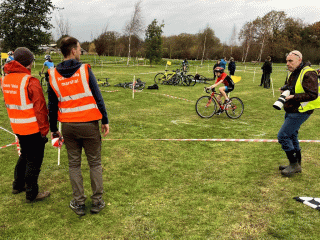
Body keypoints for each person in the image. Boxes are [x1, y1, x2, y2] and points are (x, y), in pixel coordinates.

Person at [48, 36, 109, 216]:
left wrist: (54, 129)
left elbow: (52, 106)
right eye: (80, 48)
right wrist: (105, 120)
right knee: (95, 163)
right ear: (73, 50)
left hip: (68, 126)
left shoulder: (52, 74)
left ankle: (79, 202)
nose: (81, 52)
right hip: (89, 125)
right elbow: (98, 97)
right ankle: (97, 202)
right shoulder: (84, 70)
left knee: (74, 165)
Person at [0, 47, 50, 203]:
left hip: (17, 126)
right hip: (32, 128)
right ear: (29, 63)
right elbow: (40, 109)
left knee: (24, 156)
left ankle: (18, 185)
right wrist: (44, 131)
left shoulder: (6, 79)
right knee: (34, 161)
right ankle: (32, 193)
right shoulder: (30, 81)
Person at [278, 50, 320, 177]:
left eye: (290, 61)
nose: (288, 64)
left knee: (283, 135)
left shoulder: (308, 73)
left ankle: (294, 164)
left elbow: (312, 94)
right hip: (292, 109)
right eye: (287, 61)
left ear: (299, 60)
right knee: (291, 135)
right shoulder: (295, 72)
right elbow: (292, 86)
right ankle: (296, 164)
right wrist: (284, 89)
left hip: (301, 109)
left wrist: (293, 97)